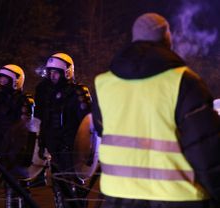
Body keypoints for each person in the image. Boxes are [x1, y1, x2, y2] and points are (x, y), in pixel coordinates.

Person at [93, 13, 220, 208]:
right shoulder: (185, 82)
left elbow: (104, 132)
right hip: (178, 199)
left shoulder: (103, 84)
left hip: (118, 197)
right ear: (167, 38)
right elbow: (205, 150)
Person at [36, 53, 92, 208]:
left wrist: (89, 152)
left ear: (66, 72)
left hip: (73, 151)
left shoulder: (78, 92)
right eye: (50, 72)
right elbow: (44, 122)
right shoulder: (47, 93)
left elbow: (88, 124)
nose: (52, 76)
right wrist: (42, 144)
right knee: (59, 191)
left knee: (75, 191)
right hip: (55, 150)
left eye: (56, 72)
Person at [0, 64, 36, 207]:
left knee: (21, 187)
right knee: (8, 188)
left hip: (18, 151)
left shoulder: (25, 100)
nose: (2, 82)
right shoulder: (0, 99)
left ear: (15, 80)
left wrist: (22, 152)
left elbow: (26, 129)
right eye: (1, 79)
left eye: (5, 79)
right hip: (3, 149)